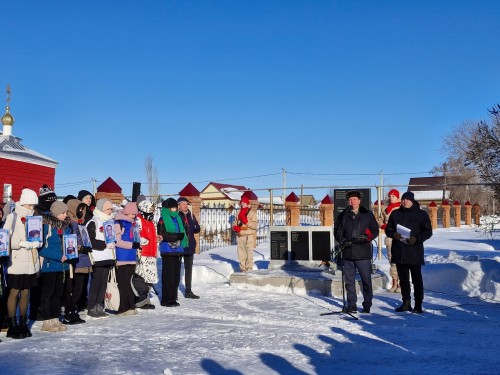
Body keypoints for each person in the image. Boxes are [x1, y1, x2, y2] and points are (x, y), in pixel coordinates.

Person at [3, 188, 42, 339]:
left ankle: (23, 323)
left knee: (26, 291)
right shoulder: (12, 217)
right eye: (30, 205)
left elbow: (38, 235)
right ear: (24, 203)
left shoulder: (34, 218)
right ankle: (13, 325)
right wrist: (21, 243)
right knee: (14, 291)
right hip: (17, 260)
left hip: (30, 261)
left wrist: (37, 242)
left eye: (34, 206)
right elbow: (5, 239)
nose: (33, 208)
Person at [385, 191, 433, 314]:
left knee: (417, 279)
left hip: (414, 251)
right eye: (403, 199)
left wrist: (416, 239)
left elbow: (428, 231)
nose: (405, 201)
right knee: (404, 279)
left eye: (407, 200)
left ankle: (418, 304)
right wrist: (393, 234)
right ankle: (406, 303)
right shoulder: (396, 213)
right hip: (399, 251)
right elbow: (388, 229)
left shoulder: (421, 214)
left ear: (412, 201)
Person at [334, 190, 379, 314]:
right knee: (349, 281)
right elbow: (337, 230)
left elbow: (375, 230)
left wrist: (367, 237)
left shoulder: (367, 214)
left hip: (363, 253)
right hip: (348, 252)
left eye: (354, 199)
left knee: (366, 280)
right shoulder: (343, 214)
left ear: (359, 201)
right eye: (350, 200)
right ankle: (351, 304)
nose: (352, 201)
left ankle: (367, 305)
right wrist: (342, 241)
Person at [39, 201, 71, 332]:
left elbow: (68, 242)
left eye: (66, 212)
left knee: (58, 293)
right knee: (48, 293)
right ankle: (47, 321)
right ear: (56, 213)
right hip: (50, 264)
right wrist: (58, 256)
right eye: (63, 213)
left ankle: (55, 317)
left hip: (62, 266)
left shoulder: (65, 227)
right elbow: (41, 248)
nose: (65, 215)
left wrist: (72, 250)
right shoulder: (46, 226)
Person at [60, 198, 90, 325]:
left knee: (80, 287)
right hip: (74, 260)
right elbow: (66, 241)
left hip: (83, 258)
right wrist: (78, 248)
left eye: (83, 209)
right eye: (79, 209)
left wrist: (87, 245)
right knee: (71, 288)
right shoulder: (69, 224)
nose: (82, 211)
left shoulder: (81, 223)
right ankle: (68, 312)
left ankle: (73, 310)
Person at [86, 198, 116, 319]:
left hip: (108, 256)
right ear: (101, 209)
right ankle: (91, 306)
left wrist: (113, 243)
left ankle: (99, 304)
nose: (110, 211)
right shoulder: (94, 222)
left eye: (111, 209)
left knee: (103, 283)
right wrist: (104, 244)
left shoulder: (110, 222)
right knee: (96, 283)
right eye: (108, 209)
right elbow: (89, 240)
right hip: (97, 257)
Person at [157, 198, 186, 307]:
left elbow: (182, 232)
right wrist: (178, 236)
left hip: (178, 250)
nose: (175, 209)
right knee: (168, 277)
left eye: (176, 207)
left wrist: (182, 236)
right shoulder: (163, 219)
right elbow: (163, 236)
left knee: (175, 276)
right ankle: (166, 299)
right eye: (173, 208)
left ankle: (173, 298)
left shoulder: (178, 218)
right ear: (168, 209)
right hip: (167, 250)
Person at [113, 202, 141, 316]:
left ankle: (130, 304)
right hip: (122, 257)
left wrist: (137, 246)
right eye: (132, 214)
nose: (133, 216)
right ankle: (122, 307)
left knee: (129, 283)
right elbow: (117, 241)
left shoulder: (133, 224)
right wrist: (131, 246)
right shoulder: (119, 223)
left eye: (135, 214)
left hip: (131, 257)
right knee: (123, 283)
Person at [134, 199, 159, 309]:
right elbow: (136, 235)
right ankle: (140, 300)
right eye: (150, 210)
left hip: (151, 253)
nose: (152, 212)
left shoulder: (151, 221)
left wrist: (156, 239)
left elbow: (153, 234)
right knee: (141, 277)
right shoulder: (138, 220)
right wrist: (144, 241)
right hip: (143, 253)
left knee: (149, 277)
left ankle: (145, 298)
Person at [377, 189, 401, 293]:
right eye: (390, 196)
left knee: (401, 260)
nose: (391, 198)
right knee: (392, 260)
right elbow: (379, 219)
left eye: (393, 196)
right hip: (389, 237)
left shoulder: (402, 207)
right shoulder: (386, 209)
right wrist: (383, 225)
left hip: (400, 237)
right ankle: (394, 282)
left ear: (397, 197)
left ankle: (401, 283)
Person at [177, 197, 201, 299]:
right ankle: (174, 292)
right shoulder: (177, 215)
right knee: (176, 270)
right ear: (178, 206)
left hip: (190, 246)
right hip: (180, 246)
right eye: (183, 204)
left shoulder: (191, 215)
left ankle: (188, 291)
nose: (185, 206)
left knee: (188, 270)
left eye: (186, 204)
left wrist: (197, 227)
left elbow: (195, 228)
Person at [232, 196, 258, 272]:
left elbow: (255, 226)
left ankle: (249, 269)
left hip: (248, 236)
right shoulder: (238, 213)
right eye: (241, 202)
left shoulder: (252, 213)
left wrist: (247, 222)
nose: (242, 203)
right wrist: (234, 227)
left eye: (244, 202)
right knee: (241, 254)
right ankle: (242, 269)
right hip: (240, 236)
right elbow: (235, 223)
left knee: (249, 254)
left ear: (247, 203)